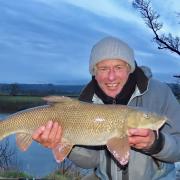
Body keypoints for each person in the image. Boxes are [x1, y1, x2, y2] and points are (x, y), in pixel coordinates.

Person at [32, 36, 180, 180]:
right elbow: (91, 161)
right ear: (94, 73)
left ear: (130, 69)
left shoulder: (160, 92)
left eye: (118, 67)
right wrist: (63, 142)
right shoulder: (86, 102)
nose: (111, 77)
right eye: (103, 68)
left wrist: (156, 144)